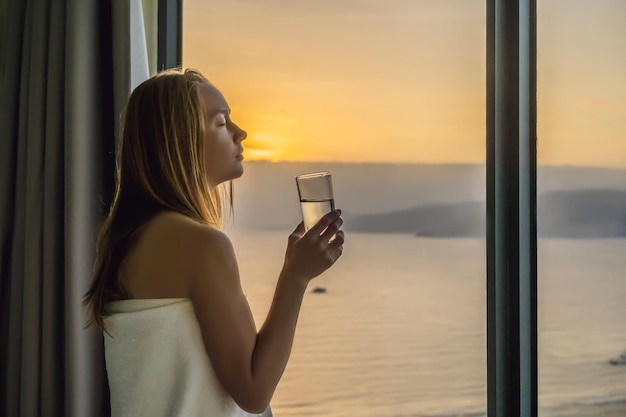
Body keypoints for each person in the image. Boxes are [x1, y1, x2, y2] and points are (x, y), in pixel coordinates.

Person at [83, 68, 345, 417]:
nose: (241, 133)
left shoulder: (123, 239)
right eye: (222, 122)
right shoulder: (201, 245)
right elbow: (253, 393)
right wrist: (295, 277)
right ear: (180, 139)